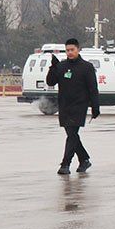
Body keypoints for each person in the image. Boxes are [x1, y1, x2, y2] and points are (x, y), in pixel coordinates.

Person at [46, 38, 99, 175]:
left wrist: (95, 107)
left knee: (72, 134)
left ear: (78, 49)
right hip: (64, 105)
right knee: (72, 134)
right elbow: (51, 82)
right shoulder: (62, 66)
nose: (69, 53)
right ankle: (84, 159)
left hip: (79, 105)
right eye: (67, 50)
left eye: (72, 50)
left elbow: (93, 88)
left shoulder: (86, 67)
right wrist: (53, 67)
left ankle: (65, 164)